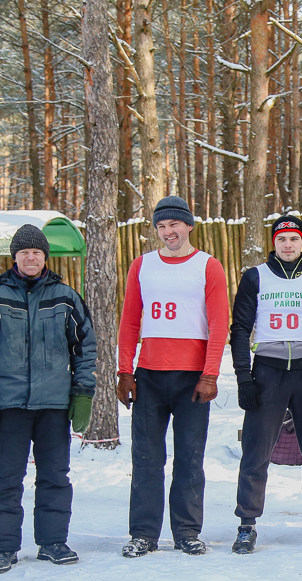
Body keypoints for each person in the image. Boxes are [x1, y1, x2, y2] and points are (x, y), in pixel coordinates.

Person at [0, 224, 96, 574]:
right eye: (24, 252)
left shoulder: (66, 297)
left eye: (36, 251)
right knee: (6, 477)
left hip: (54, 404)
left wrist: (83, 394)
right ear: (15, 257)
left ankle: (53, 542)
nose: (31, 257)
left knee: (55, 475)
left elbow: (85, 348)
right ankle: (4, 548)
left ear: (45, 256)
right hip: (9, 406)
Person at [117, 196, 230, 557]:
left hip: (192, 379)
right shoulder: (142, 265)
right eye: (161, 226)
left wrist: (210, 374)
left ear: (189, 226)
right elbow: (130, 320)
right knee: (147, 458)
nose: (168, 232)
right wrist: (124, 370)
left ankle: (186, 532)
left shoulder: (208, 267)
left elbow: (218, 324)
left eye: (174, 225)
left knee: (189, 458)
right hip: (149, 375)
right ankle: (143, 534)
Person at [228, 214, 302, 553]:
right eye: (282, 239)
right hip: (268, 371)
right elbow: (239, 330)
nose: (288, 244)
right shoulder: (255, 277)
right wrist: (244, 379)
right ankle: (247, 525)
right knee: (255, 452)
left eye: (294, 239)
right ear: (274, 243)